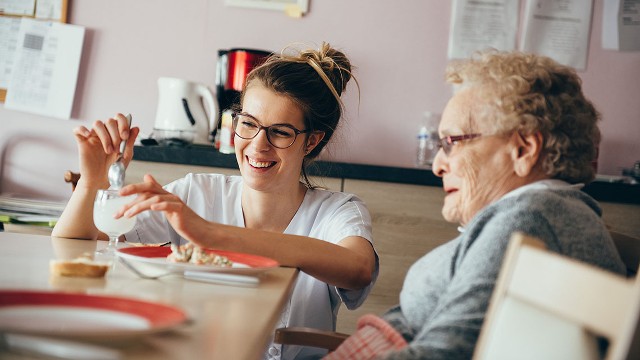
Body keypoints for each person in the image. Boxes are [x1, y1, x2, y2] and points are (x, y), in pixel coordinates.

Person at [52, 42, 378, 360]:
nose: (257, 145)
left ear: (311, 142)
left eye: (280, 132)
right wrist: (93, 180)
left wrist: (211, 235)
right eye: (248, 124)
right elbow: (76, 246)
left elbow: (359, 269)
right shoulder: (197, 192)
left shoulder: (337, 211)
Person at [324, 50, 626, 359]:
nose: (438, 165)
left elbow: (443, 354)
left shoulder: (529, 220)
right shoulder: (546, 212)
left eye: (451, 143)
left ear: (523, 150)